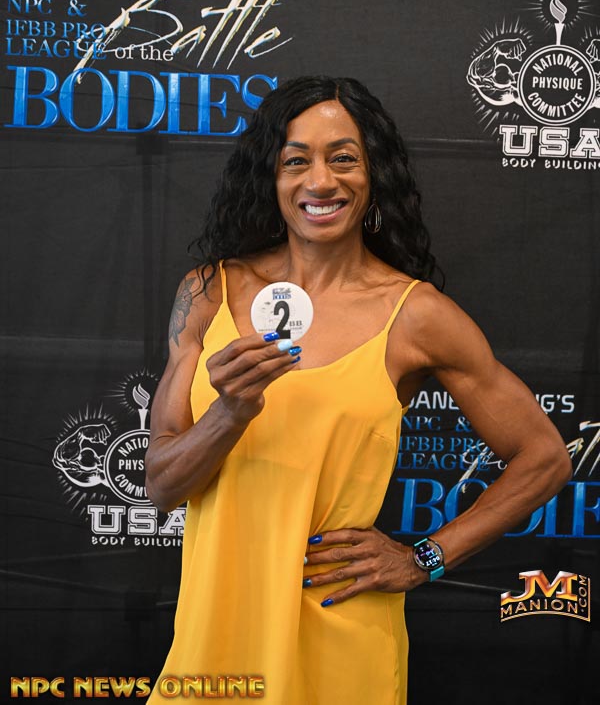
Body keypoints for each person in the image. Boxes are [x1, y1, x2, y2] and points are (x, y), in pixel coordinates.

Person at [145, 76, 572, 704]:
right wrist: (229, 412)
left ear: (374, 176)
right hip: (217, 635)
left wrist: (424, 558)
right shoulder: (208, 291)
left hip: (340, 636)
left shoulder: (416, 315)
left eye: (343, 158)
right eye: (296, 161)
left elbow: (546, 458)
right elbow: (161, 486)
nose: (320, 181)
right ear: (271, 177)